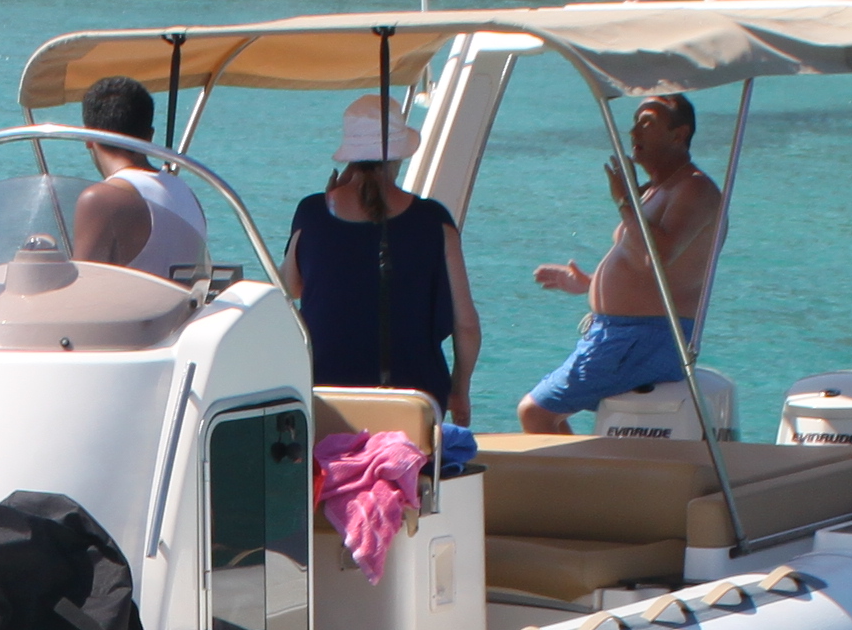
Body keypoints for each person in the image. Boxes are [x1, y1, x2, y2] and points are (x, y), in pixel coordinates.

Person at [521, 87, 731, 433]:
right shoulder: (655, 190)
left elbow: (658, 256)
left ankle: (573, 488)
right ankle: (580, 483)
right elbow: (644, 265)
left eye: (647, 124)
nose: (634, 133)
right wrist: (589, 284)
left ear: (679, 135)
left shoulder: (693, 189)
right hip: (623, 335)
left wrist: (624, 200)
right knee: (541, 412)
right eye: (634, 123)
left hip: (646, 338)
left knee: (535, 412)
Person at [281, 93, 481, 422]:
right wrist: (459, 391)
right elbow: (467, 325)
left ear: (350, 157)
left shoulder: (312, 211)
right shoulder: (434, 221)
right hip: (416, 398)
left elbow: (293, 287)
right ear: (398, 156)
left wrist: (324, 201)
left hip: (327, 396)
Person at [68, 75, 209, 278]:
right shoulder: (185, 192)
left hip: (133, 310)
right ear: (149, 136)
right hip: (187, 309)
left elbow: (80, 288)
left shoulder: (101, 199)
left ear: (89, 137)